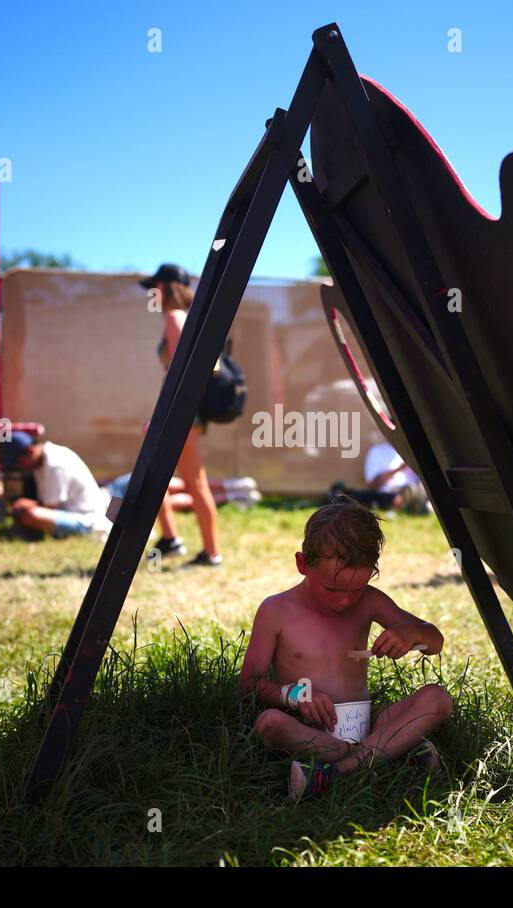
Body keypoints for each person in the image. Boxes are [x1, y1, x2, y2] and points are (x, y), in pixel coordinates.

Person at [239, 497, 453, 799]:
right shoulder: (277, 611)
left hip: (367, 722)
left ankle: (338, 771)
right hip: (308, 727)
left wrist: (411, 633)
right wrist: (297, 695)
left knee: (437, 698)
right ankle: (389, 754)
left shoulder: (371, 601)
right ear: (302, 564)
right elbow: (249, 684)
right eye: (332, 589)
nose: (344, 601)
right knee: (270, 724)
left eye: (356, 589)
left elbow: (436, 641)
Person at [140, 263, 222, 567]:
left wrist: (161, 417)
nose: (152, 293)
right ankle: (173, 539)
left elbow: (177, 375)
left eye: (155, 287)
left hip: (180, 416)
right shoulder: (183, 318)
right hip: (183, 415)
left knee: (192, 483)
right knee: (154, 476)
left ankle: (210, 552)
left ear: (164, 287)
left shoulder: (175, 318)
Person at [3, 432, 113, 539]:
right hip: (69, 513)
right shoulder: (39, 462)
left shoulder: (55, 463)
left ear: (30, 451)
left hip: (86, 519)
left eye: (20, 463)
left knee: (32, 515)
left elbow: (51, 506)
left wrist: (25, 505)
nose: (20, 467)